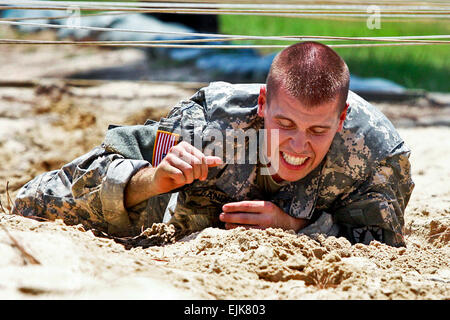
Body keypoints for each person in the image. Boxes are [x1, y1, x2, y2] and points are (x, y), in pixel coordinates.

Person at [13, 41, 414, 247]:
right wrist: (151, 181)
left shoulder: (376, 155)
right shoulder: (211, 129)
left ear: (341, 121)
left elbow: (383, 244)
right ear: (262, 104)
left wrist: (297, 227)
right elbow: (33, 202)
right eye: (285, 123)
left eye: (317, 131)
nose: (297, 145)